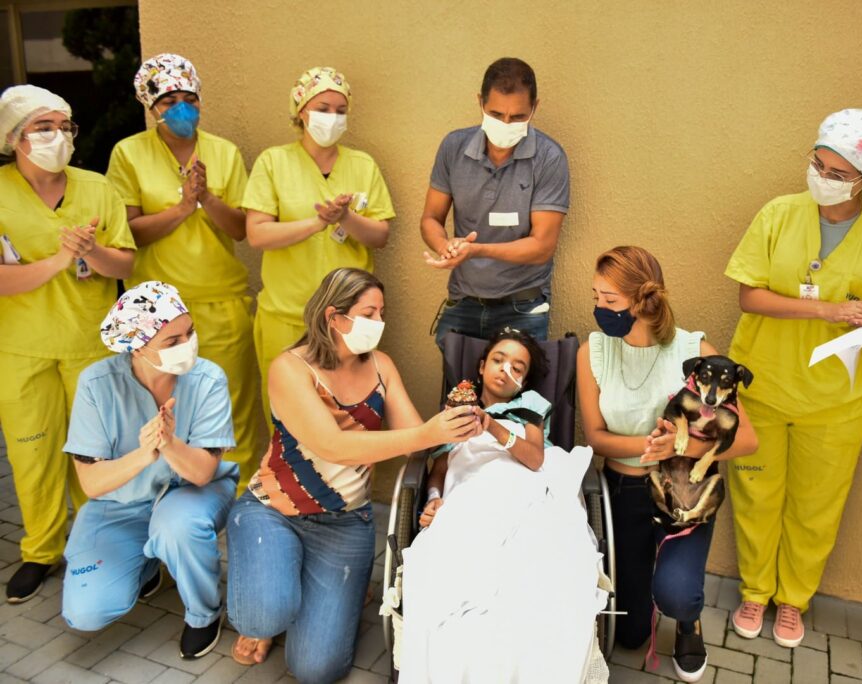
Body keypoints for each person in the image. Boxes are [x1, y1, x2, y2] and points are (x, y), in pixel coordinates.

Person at [227, 268, 476, 684]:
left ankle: (305, 586)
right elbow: (333, 445)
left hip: (345, 522)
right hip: (273, 510)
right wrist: (428, 433)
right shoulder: (291, 367)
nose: (379, 322)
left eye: (382, 313)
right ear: (334, 317)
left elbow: (416, 443)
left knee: (316, 670)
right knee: (265, 614)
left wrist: (456, 428)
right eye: (368, 313)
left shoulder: (381, 366)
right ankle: (270, 609)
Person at [724, 109, 862, 648]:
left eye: (837, 173)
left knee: (817, 508)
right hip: (764, 384)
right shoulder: (778, 215)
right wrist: (830, 311)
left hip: (837, 401)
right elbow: (750, 296)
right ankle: (756, 591)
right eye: (818, 165)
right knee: (756, 496)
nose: (822, 178)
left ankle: (792, 600)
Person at [577, 246, 758, 682]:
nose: (599, 309)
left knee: (677, 595)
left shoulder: (695, 350)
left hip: (684, 492)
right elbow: (596, 437)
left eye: (610, 300)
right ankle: (649, 601)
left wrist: (683, 450)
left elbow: (748, 440)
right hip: (624, 492)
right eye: (596, 297)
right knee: (631, 636)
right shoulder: (593, 351)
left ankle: (688, 621)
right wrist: (651, 445)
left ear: (643, 301)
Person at [399, 328, 607, 683]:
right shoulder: (457, 410)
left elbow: (535, 459)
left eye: (517, 367)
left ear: (524, 381)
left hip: (523, 489)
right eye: (498, 360)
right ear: (482, 366)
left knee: (535, 579)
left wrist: (493, 427)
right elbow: (441, 468)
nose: (505, 369)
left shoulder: (530, 407)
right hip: (469, 495)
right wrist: (433, 499)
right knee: (449, 579)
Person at [0, 84, 135, 603]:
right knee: (32, 454)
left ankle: (98, 546)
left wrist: (91, 251)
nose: (58, 136)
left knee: (96, 454)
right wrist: (60, 259)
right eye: (44, 127)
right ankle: (40, 550)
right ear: (16, 137)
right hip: (22, 349)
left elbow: (125, 263)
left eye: (64, 126)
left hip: (89, 344)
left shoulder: (96, 188)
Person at [107, 53, 262, 492]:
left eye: (189, 98)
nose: (181, 108)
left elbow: (241, 230)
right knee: (160, 411)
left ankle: (237, 498)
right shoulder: (129, 154)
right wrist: (181, 209)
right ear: (150, 106)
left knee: (233, 407)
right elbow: (128, 232)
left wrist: (207, 199)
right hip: (157, 313)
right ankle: (165, 499)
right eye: (169, 100)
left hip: (221, 300)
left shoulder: (223, 152)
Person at [60, 281, 238, 660]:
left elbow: (203, 473)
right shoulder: (96, 384)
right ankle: (147, 562)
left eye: (190, 333)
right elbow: (91, 483)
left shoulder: (209, 379)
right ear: (138, 346)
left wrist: (169, 444)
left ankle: (204, 614)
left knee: (177, 527)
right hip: (120, 505)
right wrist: (144, 455)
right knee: (85, 612)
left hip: (191, 493)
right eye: (173, 340)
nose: (188, 345)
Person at [244, 66, 395, 430]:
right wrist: (317, 223)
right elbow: (257, 235)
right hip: (286, 316)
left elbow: (380, 235)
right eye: (323, 108)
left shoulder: (362, 165)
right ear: (301, 111)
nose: (332, 117)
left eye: (340, 110)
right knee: (289, 420)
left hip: (349, 319)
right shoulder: (273, 162)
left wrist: (346, 217)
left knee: (352, 415)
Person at [421, 57, 569, 347]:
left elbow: (542, 246)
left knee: (519, 380)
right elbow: (431, 218)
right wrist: (445, 247)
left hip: (522, 306)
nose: (506, 124)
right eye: (496, 114)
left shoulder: (550, 158)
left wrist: (476, 250)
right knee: (458, 380)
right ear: (480, 102)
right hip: (463, 301)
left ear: (535, 108)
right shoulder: (453, 147)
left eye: (517, 117)